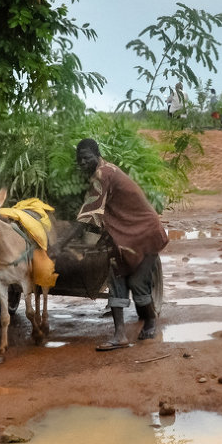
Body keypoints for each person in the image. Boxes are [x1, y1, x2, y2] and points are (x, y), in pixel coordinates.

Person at [67, 139, 169, 350]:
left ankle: (150, 322)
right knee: (117, 277)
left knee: (138, 282)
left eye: (87, 157)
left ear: (97, 154)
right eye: (80, 159)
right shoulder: (104, 172)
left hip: (144, 232)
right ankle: (119, 335)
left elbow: (88, 215)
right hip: (124, 235)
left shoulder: (103, 174)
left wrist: (63, 243)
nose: (83, 162)